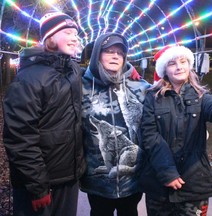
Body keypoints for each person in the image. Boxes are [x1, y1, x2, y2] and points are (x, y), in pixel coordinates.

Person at [139, 45, 212, 216]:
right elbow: (149, 136)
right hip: (159, 183)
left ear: (189, 65)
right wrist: (167, 172)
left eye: (183, 61)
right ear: (164, 70)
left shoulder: (200, 96)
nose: (179, 67)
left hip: (193, 183)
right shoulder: (152, 98)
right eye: (172, 63)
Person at [2, 11, 86, 216]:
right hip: (40, 184)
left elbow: (97, 73)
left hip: (68, 177)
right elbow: (20, 137)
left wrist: (127, 70)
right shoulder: (28, 79)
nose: (74, 37)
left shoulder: (72, 70)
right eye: (67, 32)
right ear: (50, 37)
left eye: (75, 33)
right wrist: (38, 186)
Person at [80, 32, 150, 216]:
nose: (115, 56)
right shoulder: (80, 86)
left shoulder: (140, 87)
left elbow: (166, 106)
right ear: (97, 55)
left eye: (119, 53)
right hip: (96, 180)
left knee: (129, 212)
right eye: (108, 51)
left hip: (133, 180)